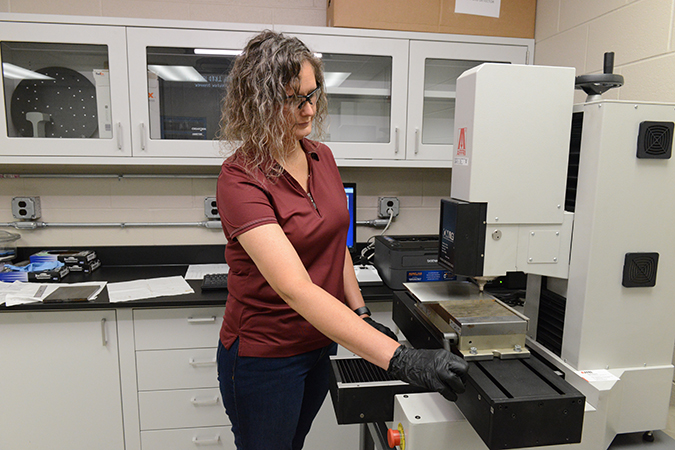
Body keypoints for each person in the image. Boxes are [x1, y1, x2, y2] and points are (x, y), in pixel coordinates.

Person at [215, 30, 469, 450]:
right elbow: (294, 288)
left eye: (314, 95)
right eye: (295, 100)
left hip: (320, 344)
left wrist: (361, 312)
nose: (309, 110)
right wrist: (399, 358)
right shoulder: (240, 177)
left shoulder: (321, 156)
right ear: (257, 103)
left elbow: (336, 248)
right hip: (265, 356)